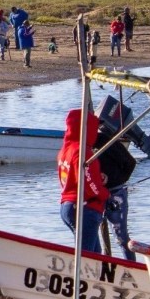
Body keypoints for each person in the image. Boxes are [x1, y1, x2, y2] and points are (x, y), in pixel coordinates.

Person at [58, 108, 108, 254]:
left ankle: (91, 276)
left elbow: (68, 178)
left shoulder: (66, 149)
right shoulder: (82, 151)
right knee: (87, 257)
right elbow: (90, 185)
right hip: (84, 208)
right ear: (86, 128)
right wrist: (105, 195)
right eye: (94, 127)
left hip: (67, 205)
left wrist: (99, 177)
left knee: (95, 256)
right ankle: (78, 277)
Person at [95, 126, 137, 261]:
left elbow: (131, 162)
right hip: (94, 194)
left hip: (115, 192)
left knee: (121, 236)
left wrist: (116, 181)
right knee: (92, 233)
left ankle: (131, 266)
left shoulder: (105, 141)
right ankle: (99, 264)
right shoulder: (81, 146)